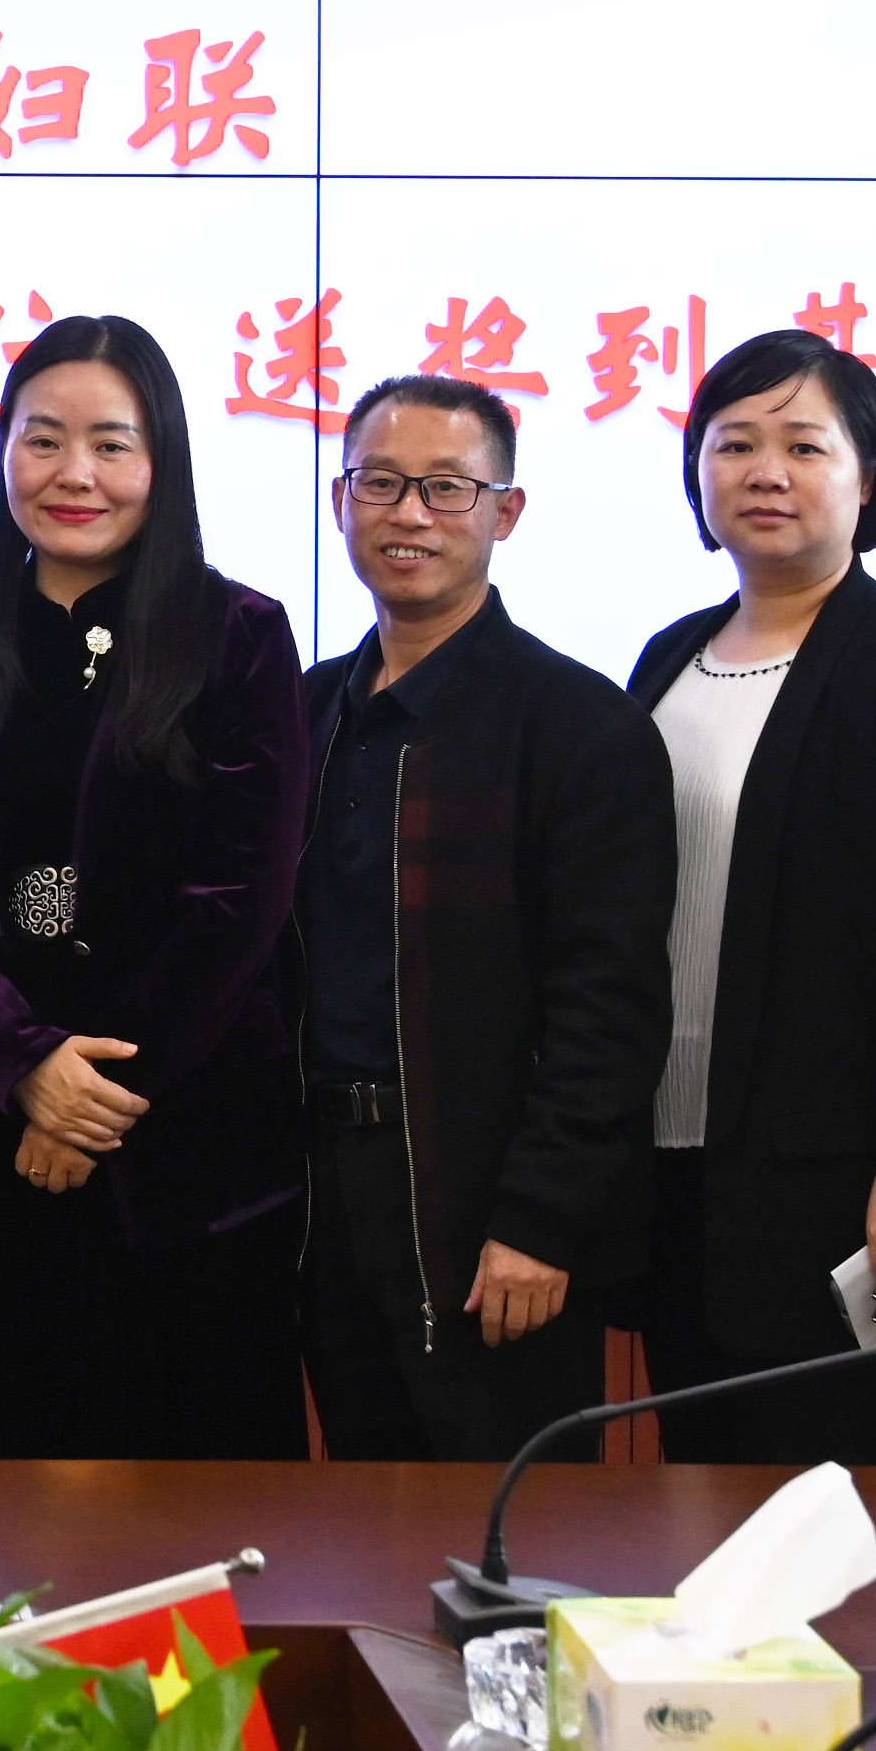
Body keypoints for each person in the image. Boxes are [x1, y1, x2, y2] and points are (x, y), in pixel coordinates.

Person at [0, 313, 315, 1460]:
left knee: (191, 1513)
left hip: (183, 1157)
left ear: (163, 462)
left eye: (112, 444)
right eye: (43, 439)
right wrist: (23, 1067)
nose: (75, 474)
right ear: (4, 449)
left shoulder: (239, 638)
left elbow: (241, 900)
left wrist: (97, 1096)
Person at [617, 326, 876, 1467]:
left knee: (829, 1495)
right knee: (694, 1494)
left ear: (868, 477)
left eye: (803, 445)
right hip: (674, 1165)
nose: (765, 472)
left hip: (843, 1178)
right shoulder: (667, 657)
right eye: (734, 444)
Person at [292, 374, 670, 1465]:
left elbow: (609, 1012)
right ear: (341, 502)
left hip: (486, 1199)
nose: (409, 513)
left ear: (505, 512)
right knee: (362, 1516)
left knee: (512, 1525)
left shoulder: (580, 727)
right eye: (381, 483)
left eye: (447, 488)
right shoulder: (304, 712)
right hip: (324, 1193)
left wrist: (541, 1220)